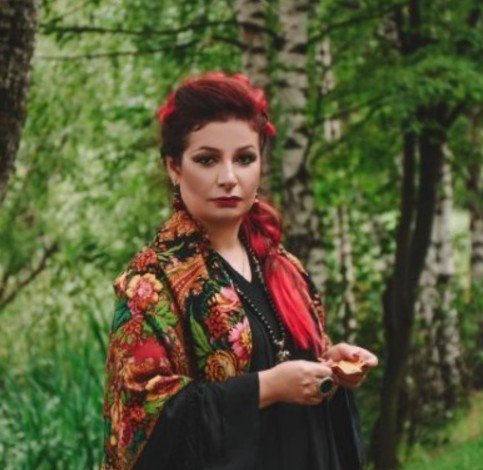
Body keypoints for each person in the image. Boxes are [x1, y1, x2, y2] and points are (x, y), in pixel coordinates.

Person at [101, 71, 378, 470]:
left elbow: (293, 359)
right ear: (174, 167)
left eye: (244, 158)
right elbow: (141, 424)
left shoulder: (284, 267)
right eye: (207, 159)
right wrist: (267, 388)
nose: (229, 178)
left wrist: (331, 365)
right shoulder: (151, 282)